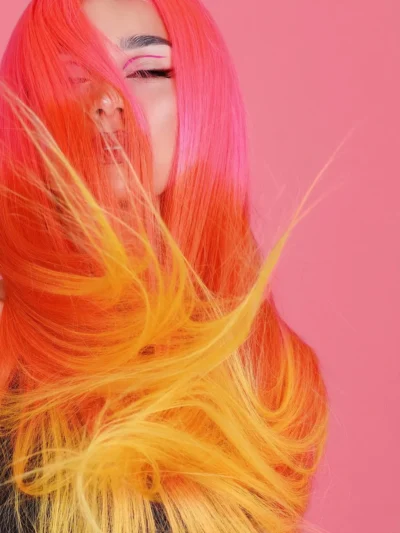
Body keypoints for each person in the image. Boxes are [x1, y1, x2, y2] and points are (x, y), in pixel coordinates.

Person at [0, 0, 329, 532]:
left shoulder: (267, 368)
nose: (107, 100)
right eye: (71, 76)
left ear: (202, 95)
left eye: (148, 71)